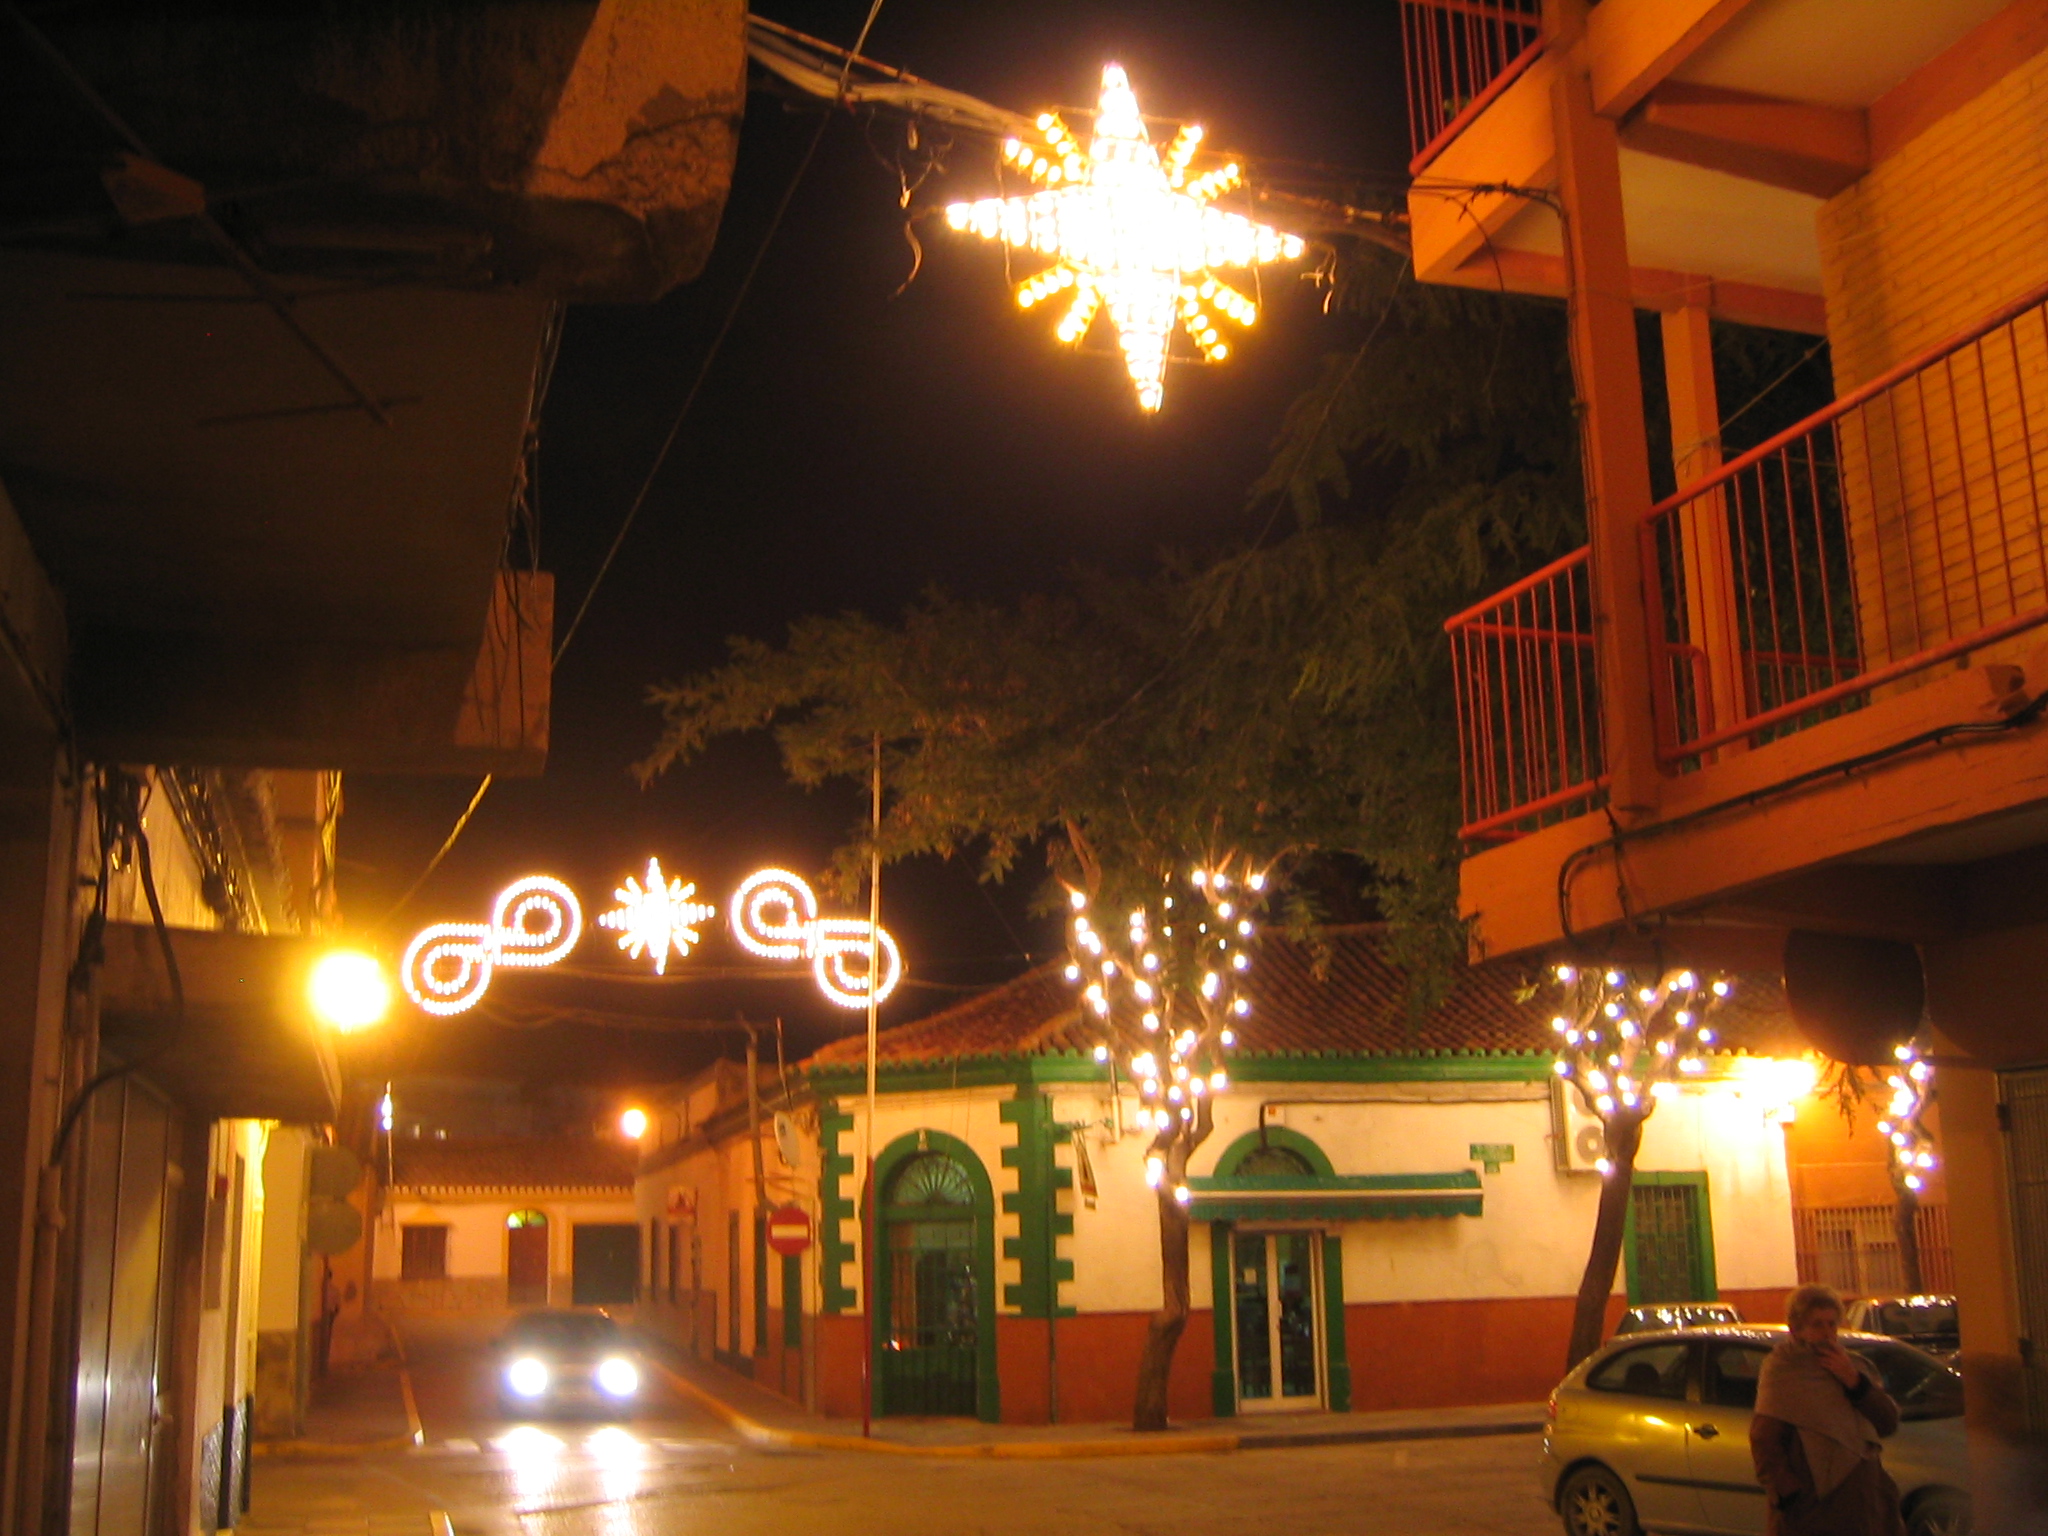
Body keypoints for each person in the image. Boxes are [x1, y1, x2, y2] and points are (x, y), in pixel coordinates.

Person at [1751, 1283, 1905, 1535]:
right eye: (1817, 1324)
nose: (1827, 1332)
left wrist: (1853, 1381)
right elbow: (1764, 1440)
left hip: (1862, 1499)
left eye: (1832, 1324)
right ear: (1798, 1329)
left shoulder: (1853, 1365)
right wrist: (1790, 1494)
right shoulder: (1784, 1369)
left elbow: (1887, 1422)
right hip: (1815, 1505)